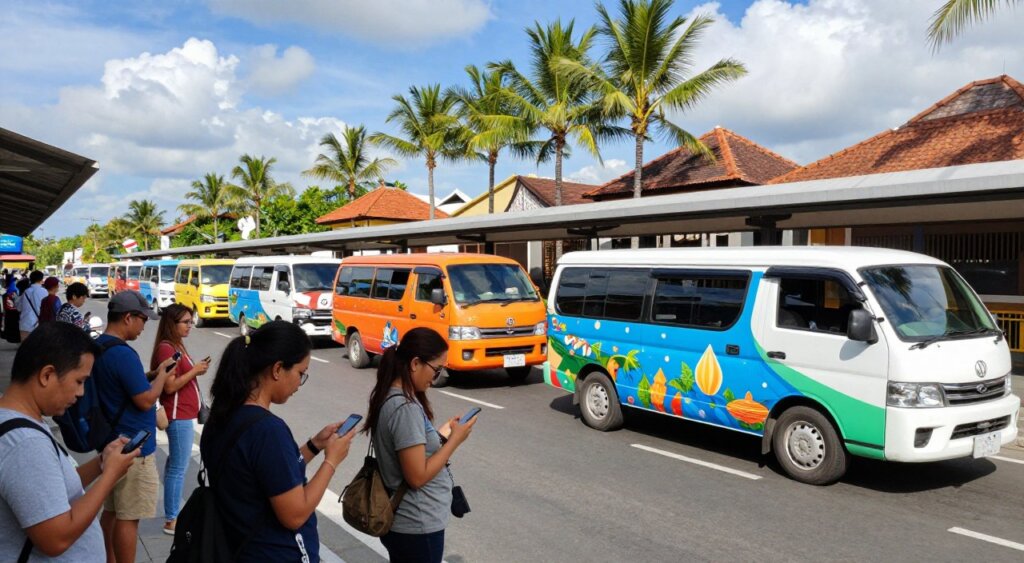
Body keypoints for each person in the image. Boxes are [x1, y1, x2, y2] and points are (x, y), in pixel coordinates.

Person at [200, 321, 355, 561]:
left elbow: (268, 474)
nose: (299, 384)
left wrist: (314, 446)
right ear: (277, 369)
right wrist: (331, 461)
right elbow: (294, 514)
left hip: (239, 548)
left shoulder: (222, 416)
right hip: (273, 552)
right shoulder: (267, 431)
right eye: (300, 373)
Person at [0, 322, 140, 561]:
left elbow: (55, 486)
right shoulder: (25, 444)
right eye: (79, 381)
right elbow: (56, 539)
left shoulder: (23, 422)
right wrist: (110, 476)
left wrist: (101, 463)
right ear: (47, 375)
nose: (81, 393)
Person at [364, 328, 477, 563]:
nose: (436, 377)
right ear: (416, 363)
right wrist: (455, 440)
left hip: (407, 523)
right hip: (416, 524)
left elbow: (411, 449)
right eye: (437, 370)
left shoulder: (394, 396)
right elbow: (416, 476)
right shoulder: (405, 408)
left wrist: (440, 436)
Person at [92, 290, 174, 563]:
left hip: (112, 442)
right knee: (129, 518)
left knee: (113, 511)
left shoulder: (101, 346)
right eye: (142, 320)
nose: (144, 325)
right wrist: (162, 376)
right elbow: (146, 399)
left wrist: (152, 373)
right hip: (133, 448)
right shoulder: (124, 355)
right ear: (128, 318)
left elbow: (126, 385)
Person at [150, 304, 210, 536]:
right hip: (177, 415)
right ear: (171, 324)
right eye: (185, 322)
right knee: (178, 468)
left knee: (174, 466)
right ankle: (172, 519)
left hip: (184, 414)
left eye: (190, 321)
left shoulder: (175, 346)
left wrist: (195, 370)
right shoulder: (167, 349)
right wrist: (194, 370)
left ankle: (173, 514)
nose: (190, 326)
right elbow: (170, 385)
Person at [17, 271, 47, 341]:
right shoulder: (45, 292)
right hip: (39, 325)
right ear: (41, 279)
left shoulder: (25, 292)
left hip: (25, 324)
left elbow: (19, 308)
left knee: (25, 349)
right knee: (38, 349)